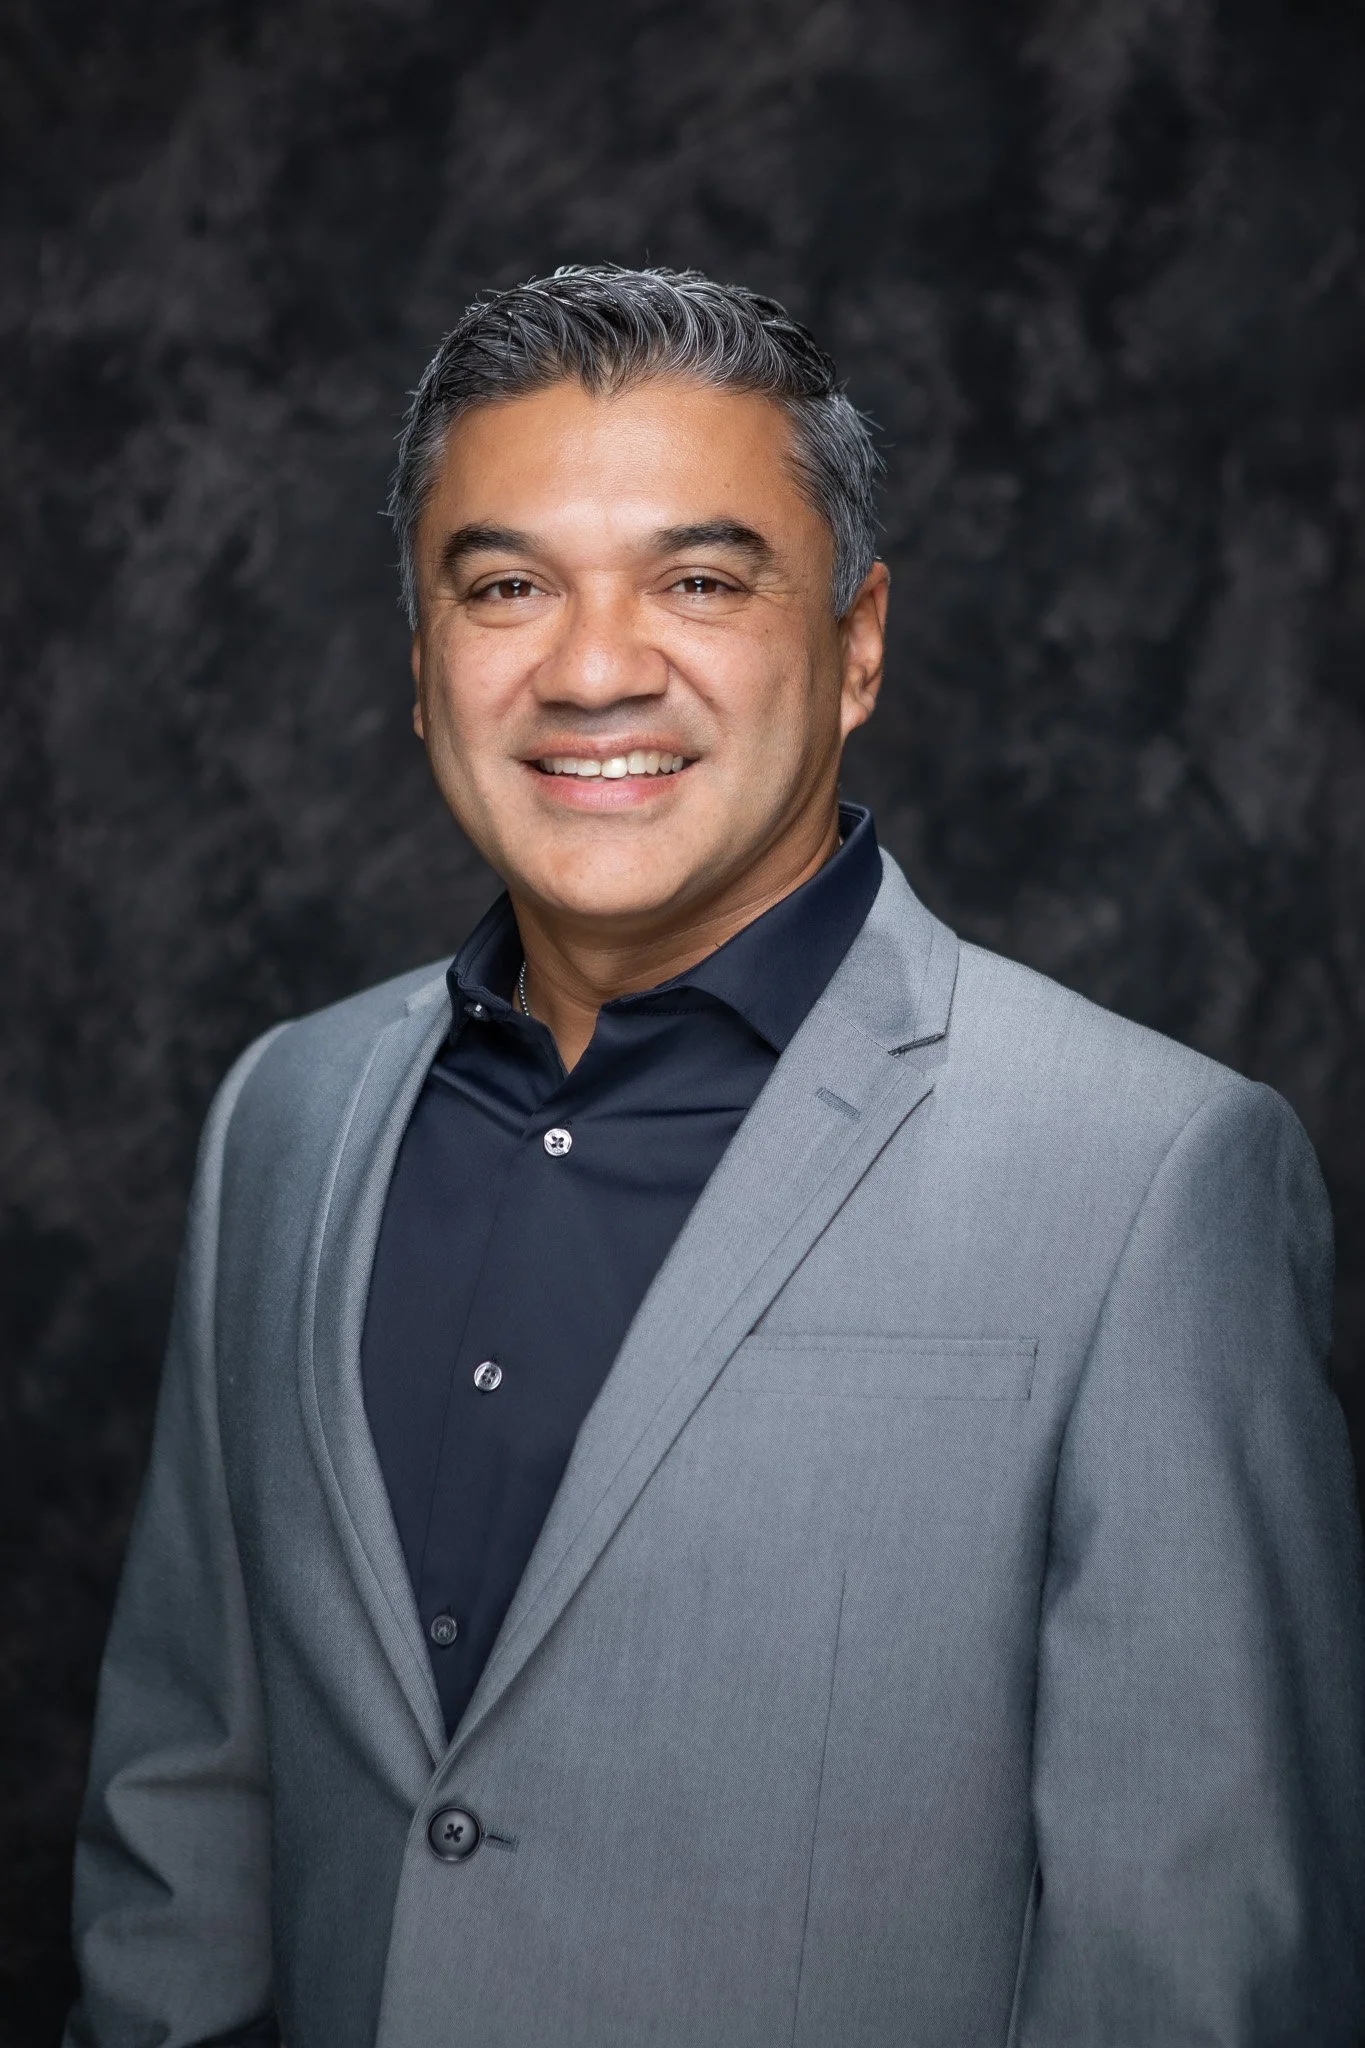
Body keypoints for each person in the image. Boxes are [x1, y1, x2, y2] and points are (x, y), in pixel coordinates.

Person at [67, 266, 1365, 2048]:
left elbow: (1195, 1979)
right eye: (506, 587)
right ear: (423, 665)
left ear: (857, 643)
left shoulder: (1152, 1176)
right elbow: (185, 1816)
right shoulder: (285, 1116)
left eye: (697, 581)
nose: (595, 670)